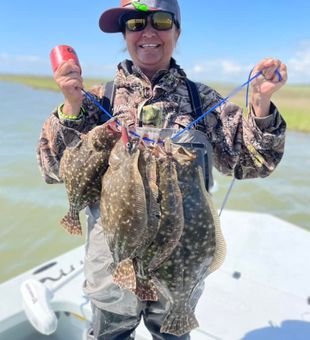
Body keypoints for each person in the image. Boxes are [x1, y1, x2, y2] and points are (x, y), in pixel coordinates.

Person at [37, 0, 287, 339]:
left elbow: (254, 163)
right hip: (113, 265)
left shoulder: (202, 101)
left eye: (161, 20)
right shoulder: (98, 101)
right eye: (135, 22)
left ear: (177, 30)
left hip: (180, 265)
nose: (148, 32)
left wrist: (259, 103)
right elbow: (53, 170)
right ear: (125, 34)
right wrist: (70, 106)